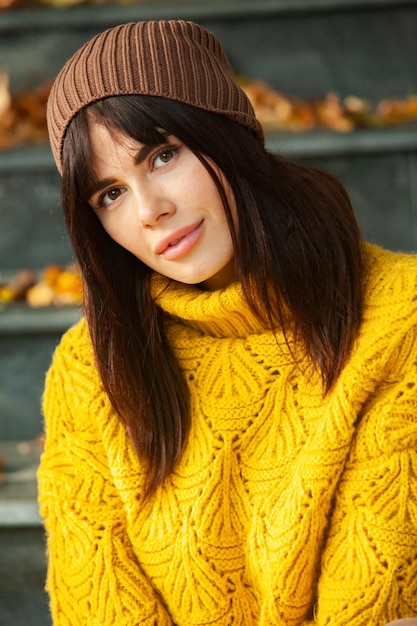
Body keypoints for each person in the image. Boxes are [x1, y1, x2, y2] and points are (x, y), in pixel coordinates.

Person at [37, 19, 417, 626]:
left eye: (163, 156)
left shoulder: (400, 317)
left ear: (227, 135)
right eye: (109, 193)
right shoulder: (91, 370)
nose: (148, 211)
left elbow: (367, 606)